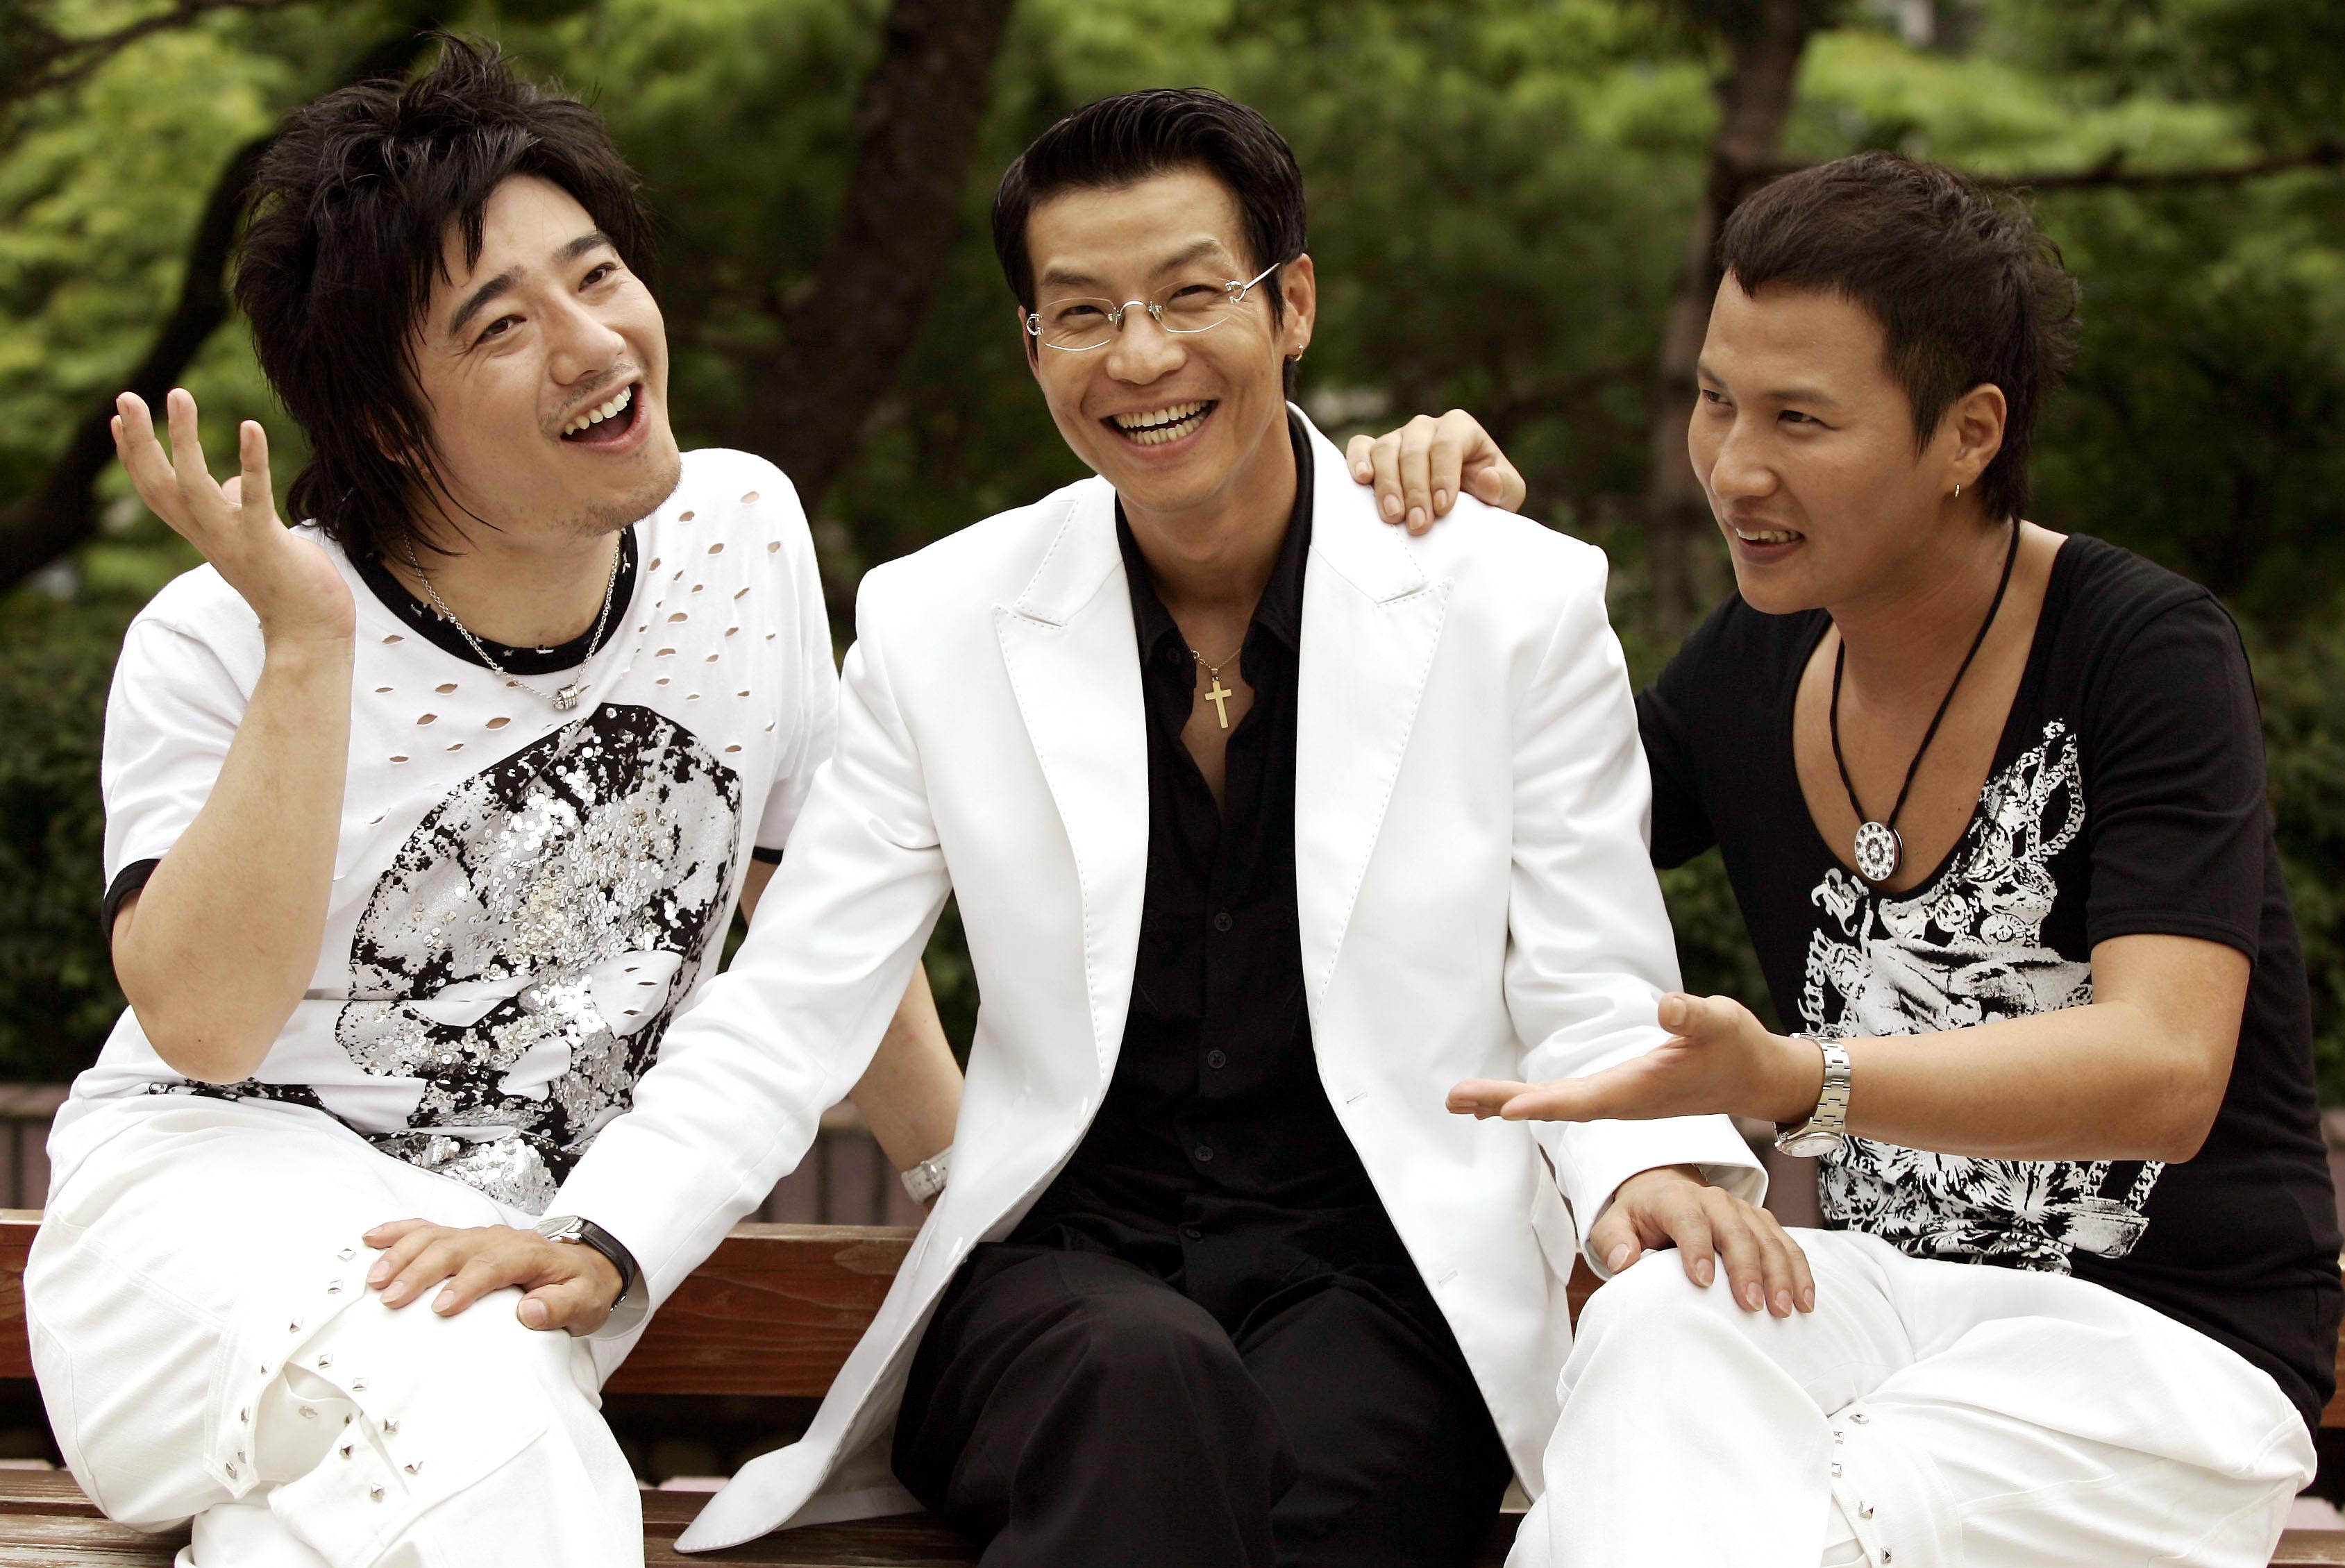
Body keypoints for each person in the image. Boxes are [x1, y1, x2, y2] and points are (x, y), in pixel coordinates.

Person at [368, 87, 1809, 1565]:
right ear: (1033, 346)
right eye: (1083, 313)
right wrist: (605, 1234)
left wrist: (1649, 1168)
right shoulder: (941, 620)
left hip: (1379, 1286)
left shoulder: (1514, 602)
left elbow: (1587, 975)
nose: (1140, 356)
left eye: (1191, 296)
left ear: (1293, 305)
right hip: (1054, 1284)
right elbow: (794, 1001)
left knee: (1329, 1484)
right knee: (1143, 1383)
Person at [24, 39, 964, 1568]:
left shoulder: (743, 529)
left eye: (598, 276)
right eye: (504, 326)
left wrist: (962, 1190)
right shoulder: (223, 636)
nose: (594, 344)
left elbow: (814, 914)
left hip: (513, 1276)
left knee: (353, 1511)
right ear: (391, 424)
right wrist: (311, 647)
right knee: (483, 1401)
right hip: (197, 1236)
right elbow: (204, 1028)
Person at [1361, 151, 2343, 1568]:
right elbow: (1506, 830)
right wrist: (1463, 575)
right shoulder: (1752, 666)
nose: (1733, 467)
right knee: (1657, 1316)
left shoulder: (2141, 652)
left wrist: (1793, 1077)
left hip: (2165, 1354)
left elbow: (2165, 1072)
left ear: (1968, 434)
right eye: (1716, 399)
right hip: (1879, 1304)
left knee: (1788, 1514)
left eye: (1800, 419)